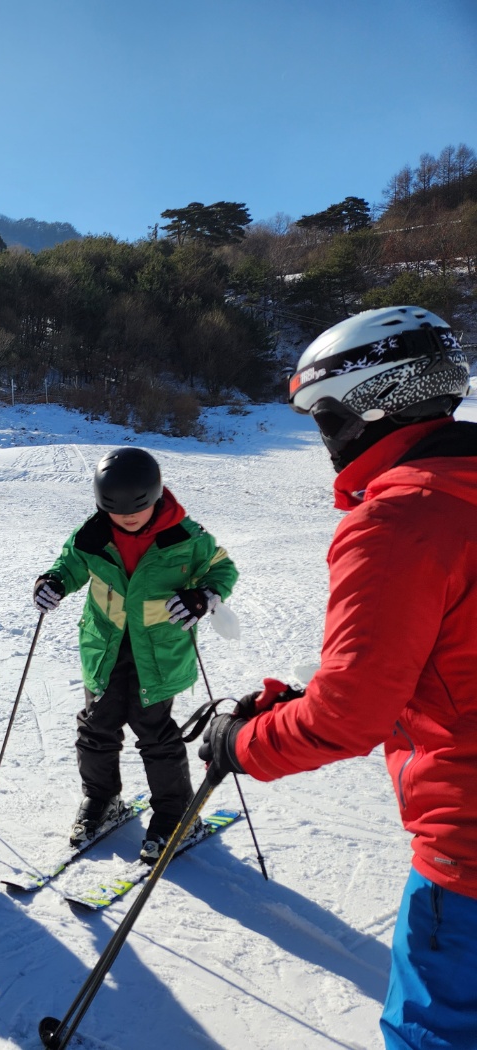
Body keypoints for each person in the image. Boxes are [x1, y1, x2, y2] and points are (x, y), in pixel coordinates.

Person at [198, 306, 475, 1050]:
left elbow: (349, 717)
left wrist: (242, 743)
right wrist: (309, 700)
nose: (324, 439)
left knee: (435, 1034)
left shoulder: (399, 518)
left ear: (370, 404)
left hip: (469, 851)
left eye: (324, 416)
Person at [33, 446, 238, 862]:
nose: (127, 517)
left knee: (155, 734)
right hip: (105, 649)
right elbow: (69, 565)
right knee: (96, 727)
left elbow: (223, 569)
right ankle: (102, 800)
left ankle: (177, 813)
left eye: (138, 509)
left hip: (158, 655)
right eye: (114, 509)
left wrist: (205, 596)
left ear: (156, 495)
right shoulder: (91, 535)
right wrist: (52, 581)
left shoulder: (187, 537)